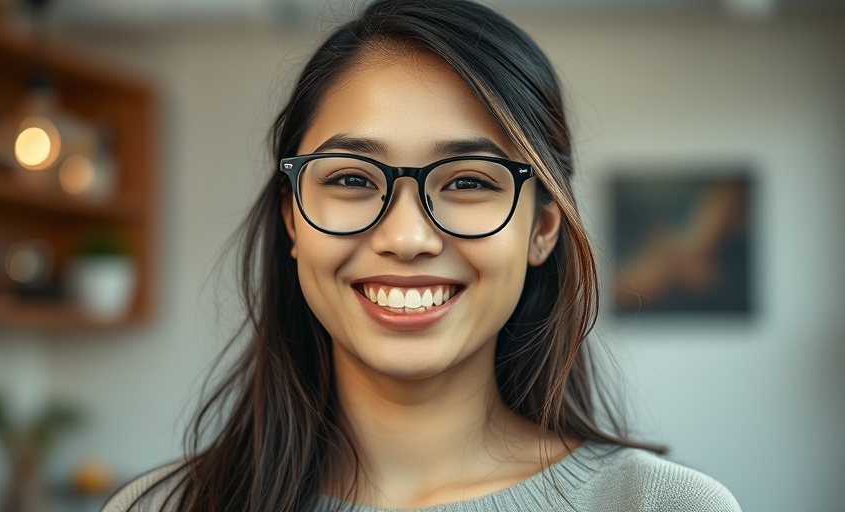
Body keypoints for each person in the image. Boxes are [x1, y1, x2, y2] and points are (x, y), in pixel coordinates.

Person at [104, 0, 740, 510]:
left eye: (468, 181)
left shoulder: (664, 506)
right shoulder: (161, 506)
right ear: (292, 217)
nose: (407, 239)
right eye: (352, 178)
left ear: (543, 228)